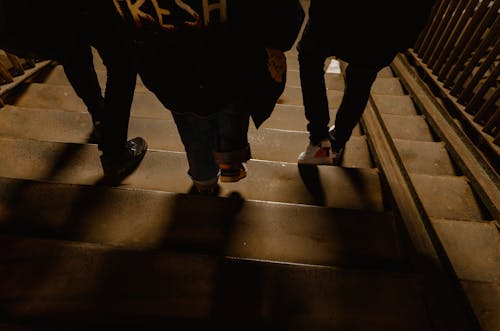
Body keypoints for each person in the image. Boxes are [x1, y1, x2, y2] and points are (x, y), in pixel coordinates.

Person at [113, 0, 304, 194]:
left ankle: (204, 180)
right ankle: (231, 164)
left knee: (191, 126)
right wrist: (276, 44)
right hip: (231, 62)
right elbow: (283, 14)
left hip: (170, 69)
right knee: (233, 115)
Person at [0, 0, 148, 182]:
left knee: (72, 51)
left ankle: (100, 116)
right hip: (84, 8)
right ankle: (114, 151)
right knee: (122, 63)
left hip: (47, 16)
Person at [297, 0, 437, 165]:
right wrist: (404, 39)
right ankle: (337, 141)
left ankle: (320, 139)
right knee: (360, 79)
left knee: (310, 58)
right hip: (386, 26)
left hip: (335, 14)